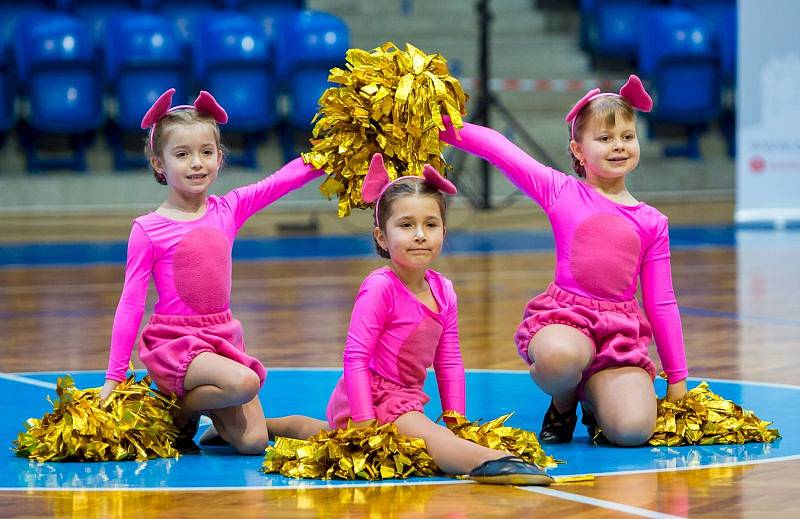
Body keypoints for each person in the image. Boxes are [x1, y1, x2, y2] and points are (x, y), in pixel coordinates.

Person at [439, 75, 688, 447]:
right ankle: (564, 400)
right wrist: (439, 127)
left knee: (633, 431)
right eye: (604, 138)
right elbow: (500, 149)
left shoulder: (652, 222)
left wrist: (678, 379)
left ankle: (593, 394)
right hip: (568, 320)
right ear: (578, 149)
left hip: (619, 334)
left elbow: (661, 302)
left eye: (627, 137)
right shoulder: (560, 191)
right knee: (558, 359)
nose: (618, 146)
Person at [98, 88, 325, 454]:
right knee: (245, 382)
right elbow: (131, 304)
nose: (197, 163)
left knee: (253, 443)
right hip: (175, 344)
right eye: (182, 154)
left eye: (206, 152)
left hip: (222, 338)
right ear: (159, 163)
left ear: (220, 157)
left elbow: (286, 178)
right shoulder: (147, 229)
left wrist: (336, 152)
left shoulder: (229, 209)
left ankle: (215, 424)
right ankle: (172, 409)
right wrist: (114, 377)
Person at [325, 153, 553, 485]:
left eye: (430, 225)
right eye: (406, 225)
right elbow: (356, 357)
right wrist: (362, 423)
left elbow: (449, 361)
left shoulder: (443, 290)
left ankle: (274, 425)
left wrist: (456, 420)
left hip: (405, 399)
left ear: (444, 231)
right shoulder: (380, 287)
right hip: (370, 401)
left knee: (316, 432)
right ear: (381, 237)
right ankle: (490, 462)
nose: (420, 235)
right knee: (432, 440)